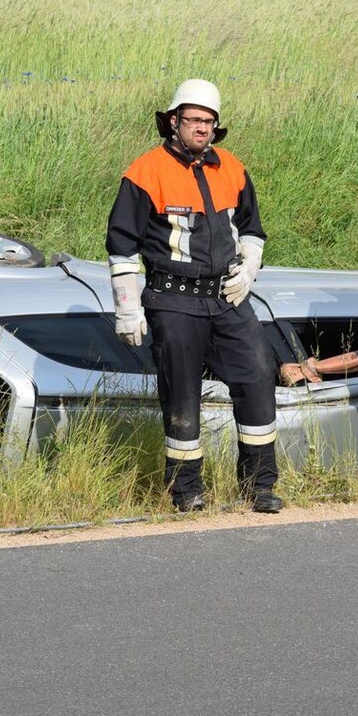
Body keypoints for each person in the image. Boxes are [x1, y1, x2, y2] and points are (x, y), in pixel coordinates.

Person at [105, 79, 282, 513]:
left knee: (258, 375)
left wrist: (250, 268)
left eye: (209, 121)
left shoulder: (233, 168)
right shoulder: (145, 172)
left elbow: (253, 228)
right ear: (173, 121)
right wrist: (128, 310)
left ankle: (260, 487)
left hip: (227, 298)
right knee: (182, 395)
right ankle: (186, 492)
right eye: (193, 120)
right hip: (173, 300)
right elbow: (122, 245)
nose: (202, 128)